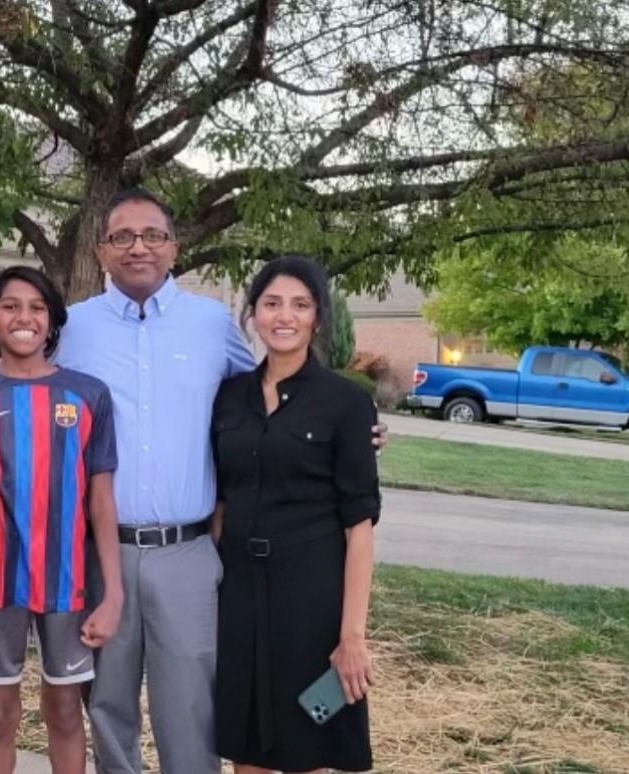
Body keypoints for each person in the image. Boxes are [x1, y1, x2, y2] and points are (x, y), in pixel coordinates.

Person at [56, 189, 386, 774]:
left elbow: (277, 401)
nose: (139, 247)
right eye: (123, 237)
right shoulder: (72, 329)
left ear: (174, 248)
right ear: (102, 249)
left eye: (153, 235)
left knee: (192, 707)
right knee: (106, 705)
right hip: (100, 550)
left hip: (188, 552)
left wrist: (358, 433)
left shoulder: (210, 324)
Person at [0, 265, 124, 774]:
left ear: (52, 323)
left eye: (37, 308)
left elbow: (101, 499)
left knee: (64, 710)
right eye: (10, 306)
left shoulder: (89, 395)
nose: (24, 317)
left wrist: (115, 591)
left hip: (69, 584)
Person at [211, 255, 378, 773]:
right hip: (238, 595)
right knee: (246, 749)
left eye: (300, 305)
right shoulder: (228, 396)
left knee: (307, 744)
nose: (285, 316)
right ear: (254, 314)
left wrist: (352, 635)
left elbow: (360, 527)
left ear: (318, 318)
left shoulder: (346, 403)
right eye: (272, 303)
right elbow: (220, 497)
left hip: (310, 598)